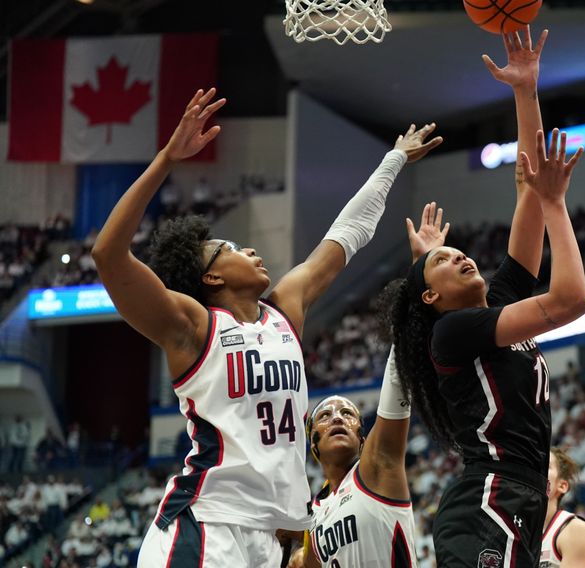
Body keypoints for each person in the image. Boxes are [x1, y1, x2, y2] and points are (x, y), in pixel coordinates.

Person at [91, 87, 442, 567]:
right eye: (233, 247)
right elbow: (109, 255)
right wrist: (169, 158)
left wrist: (393, 162)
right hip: (207, 522)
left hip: (269, 536)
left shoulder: (284, 311)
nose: (252, 251)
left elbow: (346, 235)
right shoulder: (191, 326)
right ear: (211, 276)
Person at [386, 26, 585, 567]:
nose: (458, 255)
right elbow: (572, 300)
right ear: (431, 298)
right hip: (489, 500)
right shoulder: (452, 332)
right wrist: (557, 206)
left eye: (454, 252)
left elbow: (527, 184)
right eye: (443, 261)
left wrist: (525, 92)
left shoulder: (491, 306)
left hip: (518, 499)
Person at [288, 203, 449, 568]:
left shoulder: (378, 465)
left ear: (364, 437)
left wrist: (418, 276)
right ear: (313, 442)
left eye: (348, 413)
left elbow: (399, 376)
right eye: (325, 415)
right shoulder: (313, 517)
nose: (338, 417)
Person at [540, 448, 585, 568]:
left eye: (546, 465)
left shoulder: (575, 529)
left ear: (562, 486)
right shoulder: (520, 531)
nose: (536, 471)